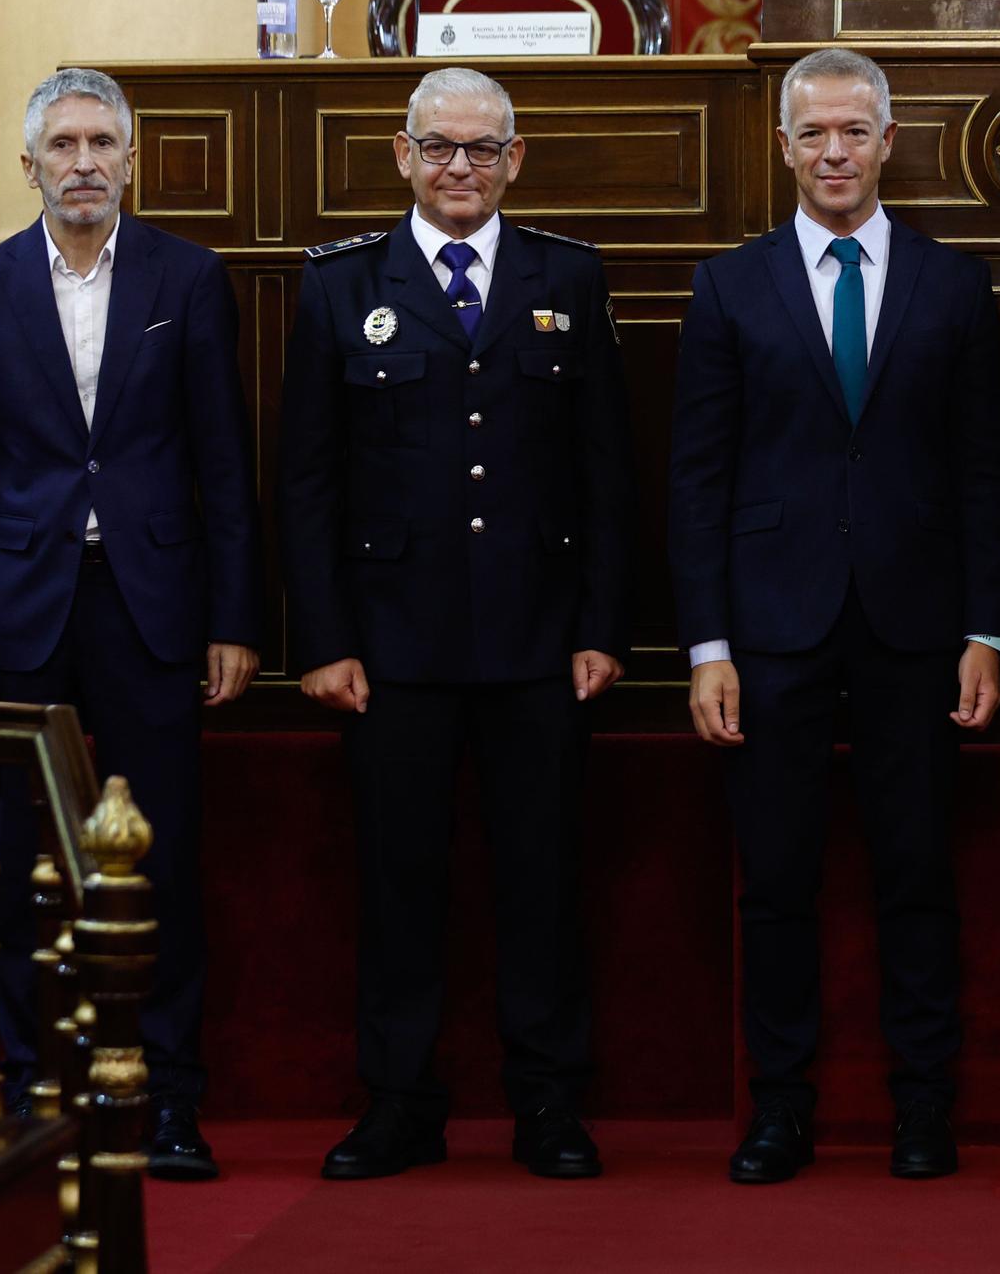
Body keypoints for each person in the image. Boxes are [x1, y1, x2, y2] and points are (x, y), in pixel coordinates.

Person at [278, 66, 635, 1182]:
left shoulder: (567, 277)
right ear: (402, 154)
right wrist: (324, 638)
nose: (460, 168)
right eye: (440, 147)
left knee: (542, 880)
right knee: (397, 884)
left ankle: (546, 1104)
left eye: (483, 150)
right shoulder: (340, 287)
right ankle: (398, 1104)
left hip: (539, 640)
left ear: (515, 160)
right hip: (391, 646)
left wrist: (603, 626)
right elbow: (308, 481)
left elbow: (604, 474)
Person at [669, 47, 1000, 1184]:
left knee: (916, 873)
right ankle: (780, 1109)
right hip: (769, 630)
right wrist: (707, 645)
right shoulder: (728, 285)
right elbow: (698, 479)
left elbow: (982, 476)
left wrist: (986, 629)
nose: (832, 152)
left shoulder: (952, 284)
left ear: (886, 140)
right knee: (775, 878)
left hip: (916, 628)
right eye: (812, 133)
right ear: (782, 146)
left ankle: (924, 1109)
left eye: (852, 132)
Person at [0, 68, 262, 1180]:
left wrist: (232, 619)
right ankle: (28, 1096)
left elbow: (224, 461)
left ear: (131, 159)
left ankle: (168, 1097)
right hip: (19, 617)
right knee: (25, 864)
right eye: (62, 144)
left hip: (155, 611)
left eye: (100, 142)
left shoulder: (188, 277)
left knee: (159, 858)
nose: (82, 161)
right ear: (31, 166)